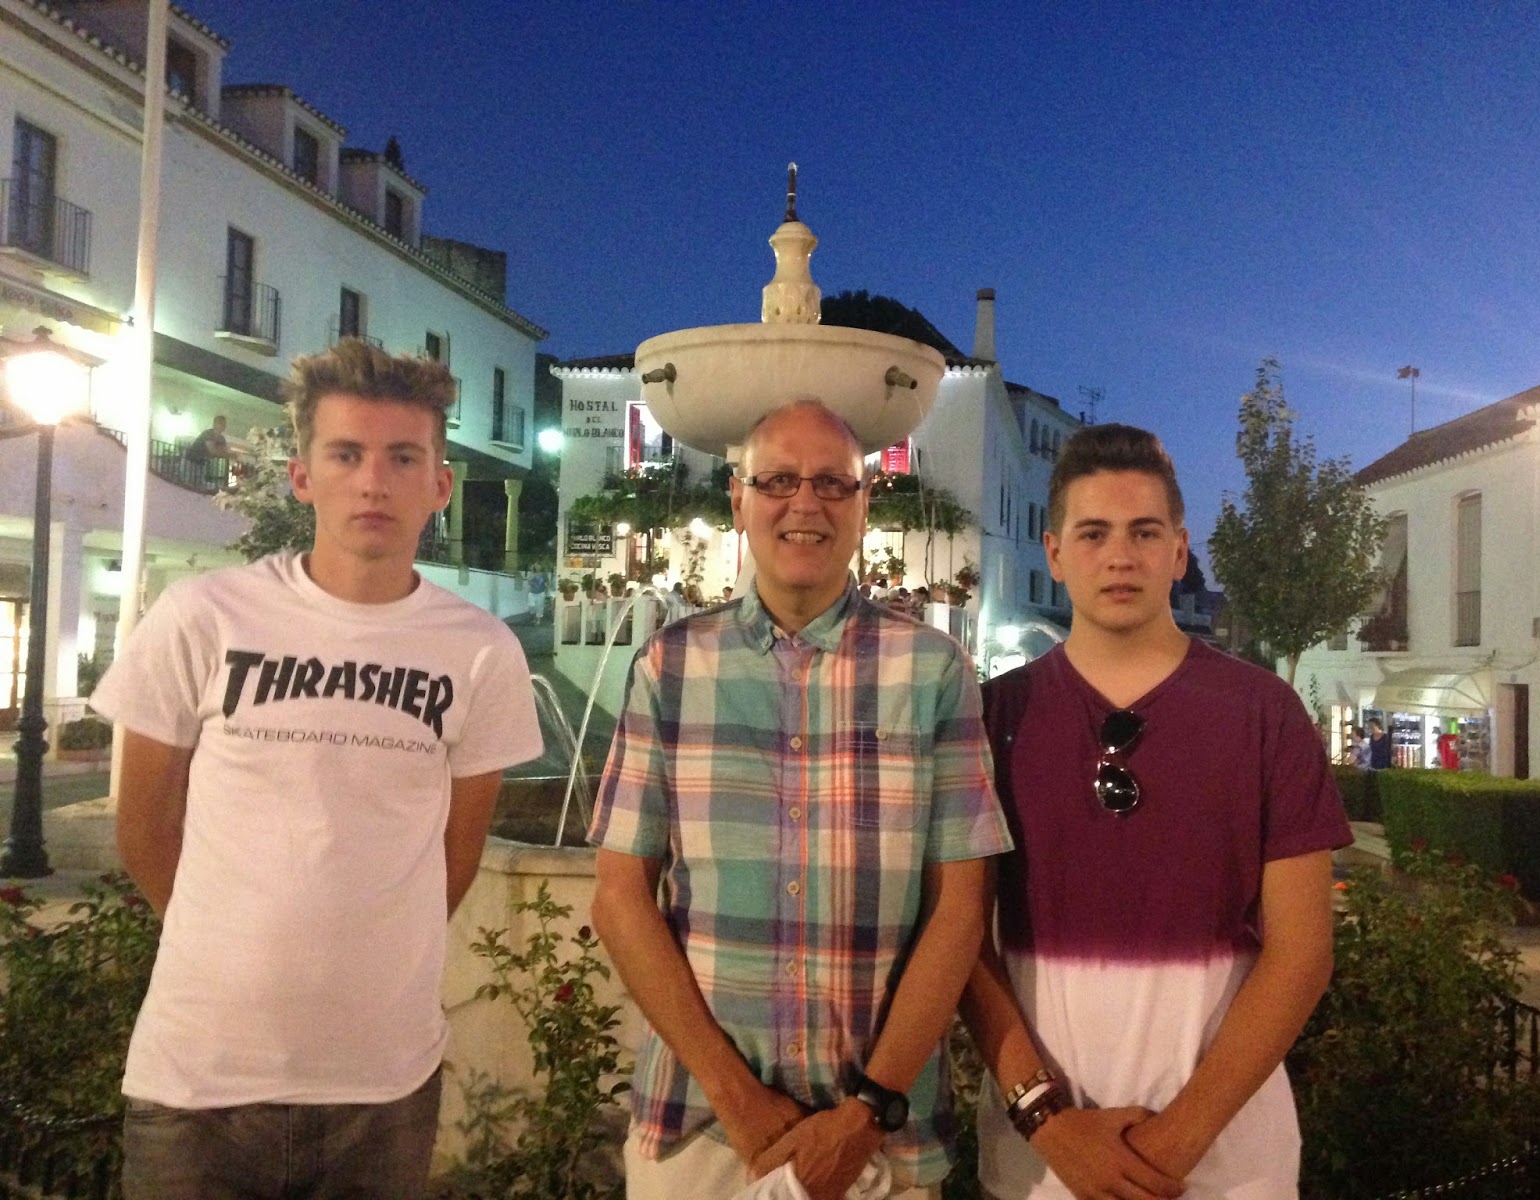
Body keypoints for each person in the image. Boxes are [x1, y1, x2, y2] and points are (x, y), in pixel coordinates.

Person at [92, 340, 543, 1200]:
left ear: (439, 485)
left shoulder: (481, 652)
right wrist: (229, 945)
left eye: (402, 458)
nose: (373, 482)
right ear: (303, 476)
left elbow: (456, 854)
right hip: (200, 1079)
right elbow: (143, 825)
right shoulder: (203, 617)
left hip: (383, 1083)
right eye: (345, 455)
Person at [590, 399, 1012, 1200]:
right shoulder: (669, 667)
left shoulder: (932, 671)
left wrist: (865, 1114)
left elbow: (960, 911)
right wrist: (737, 1099)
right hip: (702, 1127)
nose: (805, 503)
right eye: (778, 481)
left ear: (863, 503)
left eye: (831, 483)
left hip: (880, 1140)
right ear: (739, 500)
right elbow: (619, 898)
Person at [960, 423, 1352, 1200]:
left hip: (1228, 1171)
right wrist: (1051, 1126)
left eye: (1144, 532)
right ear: (1054, 552)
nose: (1120, 556)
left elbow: (1302, 952)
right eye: (1093, 533)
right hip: (1041, 1167)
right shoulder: (991, 719)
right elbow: (961, 943)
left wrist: (1173, 1145)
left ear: (1179, 551)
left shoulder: (1265, 714)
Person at [184, 413, 236, 484]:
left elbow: (224, 450)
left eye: (224, 424)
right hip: (190, 461)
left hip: (202, 463)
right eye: (220, 423)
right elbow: (213, 451)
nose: (223, 426)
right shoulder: (208, 434)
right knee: (188, 482)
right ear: (214, 424)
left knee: (199, 483)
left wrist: (230, 454)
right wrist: (229, 455)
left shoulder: (221, 439)